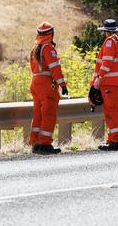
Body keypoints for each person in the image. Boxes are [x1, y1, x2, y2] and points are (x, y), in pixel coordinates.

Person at [91, 19, 118, 151]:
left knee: (111, 111)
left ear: (105, 31)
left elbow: (107, 62)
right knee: (114, 110)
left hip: (110, 83)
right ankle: (113, 138)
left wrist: (98, 78)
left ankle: (115, 140)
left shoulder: (110, 42)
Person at [29, 22, 69, 155]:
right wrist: (62, 84)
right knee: (49, 113)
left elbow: (32, 68)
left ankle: (35, 142)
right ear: (50, 34)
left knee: (38, 114)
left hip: (35, 81)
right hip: (46, 83)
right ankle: (45, 143)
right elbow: (55, 68)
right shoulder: (49, 49)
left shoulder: (34, 48)